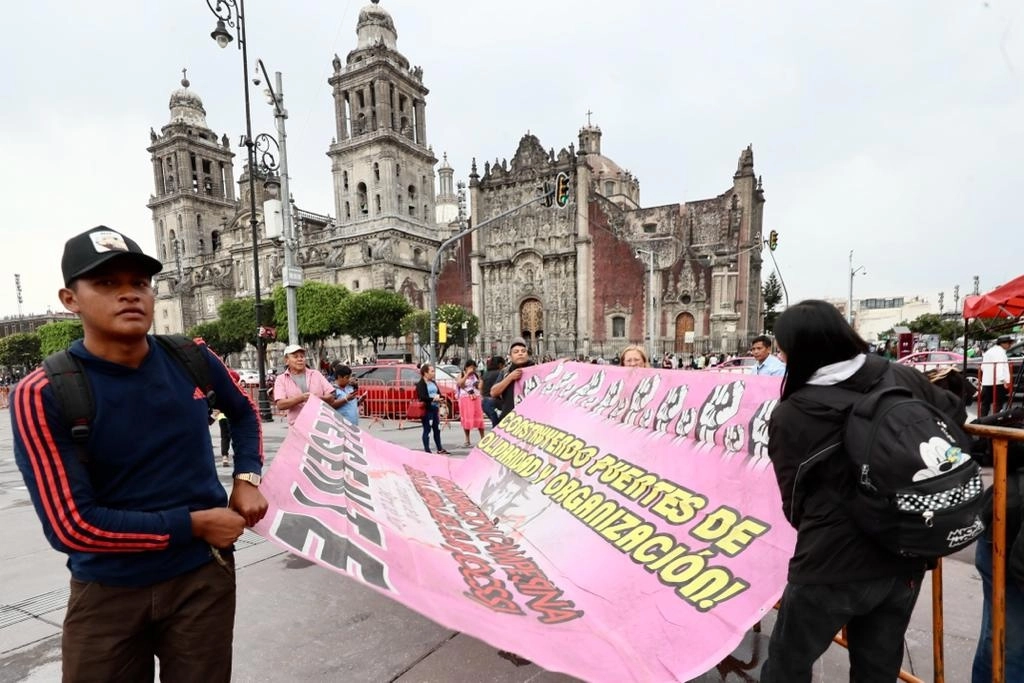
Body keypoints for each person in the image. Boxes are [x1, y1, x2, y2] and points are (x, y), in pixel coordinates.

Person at [11, 226, 266, 682]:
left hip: (202, 582)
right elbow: (72, 526)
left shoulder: (191, 357)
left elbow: (245, 414)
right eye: (107, 283)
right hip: (107, 593)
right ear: (70, 299)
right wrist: (194, 523)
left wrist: (247, 478)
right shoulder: (44, 392)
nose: (129, 295)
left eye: (140, 283)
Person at [760, 299, 965, 683]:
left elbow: (793, 498)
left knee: (787, 666)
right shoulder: (900, 376)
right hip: (906, 552)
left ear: (800, 351)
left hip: (830, 562)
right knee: (878, 668)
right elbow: (952, 418)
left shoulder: (794, 412)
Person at [273, 344, 335, 427]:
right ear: (287, 360)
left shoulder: (316, 374)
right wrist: (301, 398)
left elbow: (331, 397)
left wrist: (316, 399)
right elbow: (280, 404)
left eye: (302, 356)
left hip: (320, 425)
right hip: (298, 427)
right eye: (295, 357)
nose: (300, 359)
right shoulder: (281, 379)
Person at [490, 338, 535, 424]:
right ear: (510, 357)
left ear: (527, 354)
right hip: (510, 420)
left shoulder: (537, 369)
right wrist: (510, 377)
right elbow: (493, 392)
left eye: (523, 351)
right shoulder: (505, 372)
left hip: (532, 420)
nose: (520, 353)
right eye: (516, 352)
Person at [415, 363, 449, 454]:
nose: (433, 373)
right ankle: (427, 450)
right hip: (427, 410)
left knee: (437, 429)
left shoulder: (433, 382)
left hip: (435, 409)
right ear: (425, 373)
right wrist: (433, 399)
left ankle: (439, 448)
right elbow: (422, 397)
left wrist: (442, 398)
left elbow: (438, 393)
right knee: (427, 429)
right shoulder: (421, 384)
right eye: (432, 371)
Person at [980, 335, 1013, 417]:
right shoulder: (1000, 353)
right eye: (1009, 343)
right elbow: (999, 367)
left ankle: (981, 421)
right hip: (998, 383)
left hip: (987, 381)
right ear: (1003, 343)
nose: (1010, 345)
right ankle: (995, 421)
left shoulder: (990, 351)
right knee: (998, 403)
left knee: (985, 403)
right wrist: (1003, 380)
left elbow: (982, 367)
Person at [456, 359, 486, 447]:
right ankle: (467, 439)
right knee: (466, 417)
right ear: (466, 367)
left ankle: (483, 438)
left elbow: (480, 387)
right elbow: (460, 384)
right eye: (470, 367)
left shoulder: (476, 375)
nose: (472, 369)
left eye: (474, 368)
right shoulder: (461, 374)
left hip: (475, 398)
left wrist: (480, 383)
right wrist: (466, 375)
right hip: (465, 398)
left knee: (479, 417)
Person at [481, 356, 505, 428]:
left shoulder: (485, 374)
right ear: (500, 365)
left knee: (495, 424)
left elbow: (480, 386)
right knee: (500, 426)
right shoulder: (501, 373)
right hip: (496, 402)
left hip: (485, 402)